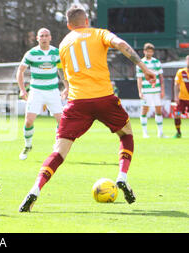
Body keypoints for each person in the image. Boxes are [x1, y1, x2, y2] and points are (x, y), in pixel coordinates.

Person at [18, 4, 157, 212]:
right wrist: (145, 68)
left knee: (59, 152)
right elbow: (120, 44)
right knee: (126, 133)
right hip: (103, 98)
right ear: (86, 21)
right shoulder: (99, 33)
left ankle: (35, 190)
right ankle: (122, 176)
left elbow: (65, 74)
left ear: (68, 25)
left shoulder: (63, 44)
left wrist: (67, 90)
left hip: (77, 102)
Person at [17, 27, 69, 160]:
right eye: (41, 36)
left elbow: (61, 71)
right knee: (29, 121)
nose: (44, 38)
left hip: (52, 91)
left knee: (61, 120)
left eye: (46, 35)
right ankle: (28, 145)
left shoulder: (56, 52)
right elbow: (20, 71)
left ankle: (57, 147)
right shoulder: (31, 53)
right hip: (36, 91)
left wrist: (66, 87)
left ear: (50, 37)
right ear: (37, 38)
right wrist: (23, 89)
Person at [136, 43, 166, 138]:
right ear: (144, 51)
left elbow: (161, 77)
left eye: (151, 51)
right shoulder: (140, 63)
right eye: (148, 51)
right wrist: (140, 91)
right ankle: (145, 133)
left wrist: (162, 90)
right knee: (145, 110)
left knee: (158, 109)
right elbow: (139, 79)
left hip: (156, 90)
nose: (149, 53)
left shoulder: (156, 62)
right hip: (146, 91)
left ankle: (160, 133)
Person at [173, 55, 189, 138]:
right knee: (177, 114)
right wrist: (176, 96)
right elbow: (176, 84)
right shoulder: (181, 72)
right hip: (182, 99)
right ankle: (178, 132)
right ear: (186, 61)